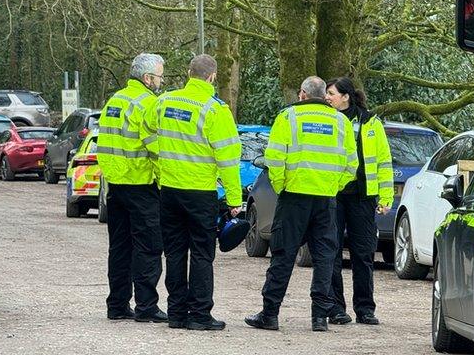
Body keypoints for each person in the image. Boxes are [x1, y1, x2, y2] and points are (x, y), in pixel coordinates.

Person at [245, 76, 357, 333]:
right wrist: (333, 186)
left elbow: (275, 158)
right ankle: (319, 317)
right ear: (323, 95)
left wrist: (282, 185)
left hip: (294, 197)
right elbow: (351, 164)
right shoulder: (341, 122)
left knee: (283, 255)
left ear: (303, 95)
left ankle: (270, 314)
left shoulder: (288, 118)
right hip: (326, 198)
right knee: (325, 257)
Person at [145, 54, 242, 331]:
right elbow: (228, 159)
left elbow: (149, 129)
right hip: (200, 193)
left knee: (175, 252)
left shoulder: (164, 101)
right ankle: (199, 314)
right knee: (201, 253)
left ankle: (176, 313)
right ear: (212, 77)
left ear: (189, 73)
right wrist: (234, 200)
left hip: (170, 191)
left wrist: (160, 163)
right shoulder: (216, 110)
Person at [97, 52, 166, 323]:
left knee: (120, 247)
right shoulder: (149, 103)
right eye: (159, 76)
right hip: (142, 183)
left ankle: (117, 305)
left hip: (116, 185)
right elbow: (155, 148)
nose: (161, 82)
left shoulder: (115, 100)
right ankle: (146, 307)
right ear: (147, 78)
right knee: (148, 248)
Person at [324, 77, 393, 326]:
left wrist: (386, 197)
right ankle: (335, 309)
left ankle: (365, 309)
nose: (327, 97)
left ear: (346, 96)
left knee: (363, 254)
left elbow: (384, 162)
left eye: (331, 93)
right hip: (334, 195)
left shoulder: (370, 123)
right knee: (330, 252)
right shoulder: (326, 120)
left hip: (363, 197)